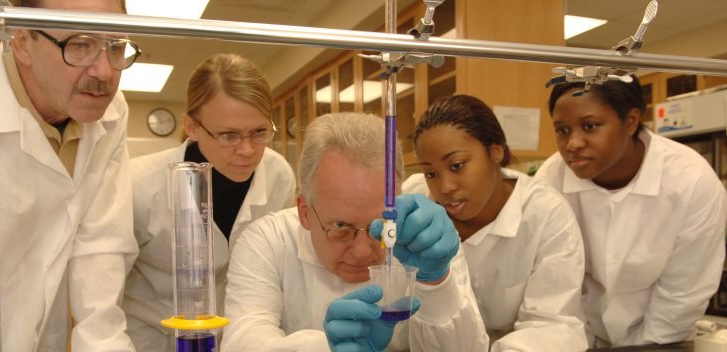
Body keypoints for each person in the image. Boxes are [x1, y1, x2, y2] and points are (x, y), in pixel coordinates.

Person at [0, 0, 141, 351]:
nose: (104, 72)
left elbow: (101, 249)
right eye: (80, 45)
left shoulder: (112, 113)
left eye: (115, 46)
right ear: (23, 41)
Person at [222, 112, 489, 352]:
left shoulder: (422, 237)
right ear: (304, 211)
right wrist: (324, 347)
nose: (363, 252)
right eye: (340, 227)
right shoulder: (270, 240)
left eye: (382, 228)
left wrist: (436, 284)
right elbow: (243, 341)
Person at [535, 76, 727, 347]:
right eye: (562, 130)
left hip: (662, 339)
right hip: (576, 338)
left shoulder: (691, 180)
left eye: (590, 126)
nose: (573, 143)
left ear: (630, 121)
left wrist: (643, 346)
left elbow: (683, 293)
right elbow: (556, 283)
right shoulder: (550, 180)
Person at [122, 53, 296, 351]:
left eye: (259, 132)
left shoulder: (278, 174)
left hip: (241, 338)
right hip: (152, 340)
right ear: (191, 126)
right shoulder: (137, 185)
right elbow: (103, 290)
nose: (247, 150)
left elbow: (280, 269)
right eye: (228, 135)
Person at [402, 95, 588, 351]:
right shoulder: (418, 204)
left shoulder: (545, 214)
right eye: (431, 173)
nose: (444, 187)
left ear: (495, 151)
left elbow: (550, 327)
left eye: (457, 165)